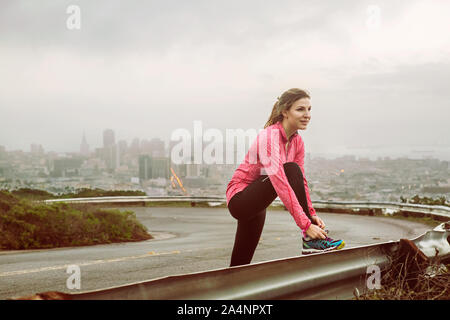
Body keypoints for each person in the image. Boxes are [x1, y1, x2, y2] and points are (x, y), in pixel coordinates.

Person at [226, 88, 345, 267]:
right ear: (285, 112)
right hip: (240, 199)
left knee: (240, 263)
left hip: (258, 203)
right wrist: (305, 226)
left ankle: (229, 289)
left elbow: (300, 181)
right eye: (300, 109)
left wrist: (311, 215)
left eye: (309, 109)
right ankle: (308, 241)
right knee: (290, 169)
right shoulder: (269, 136)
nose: (307, 115)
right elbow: (280, 181)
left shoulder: (297, 142)